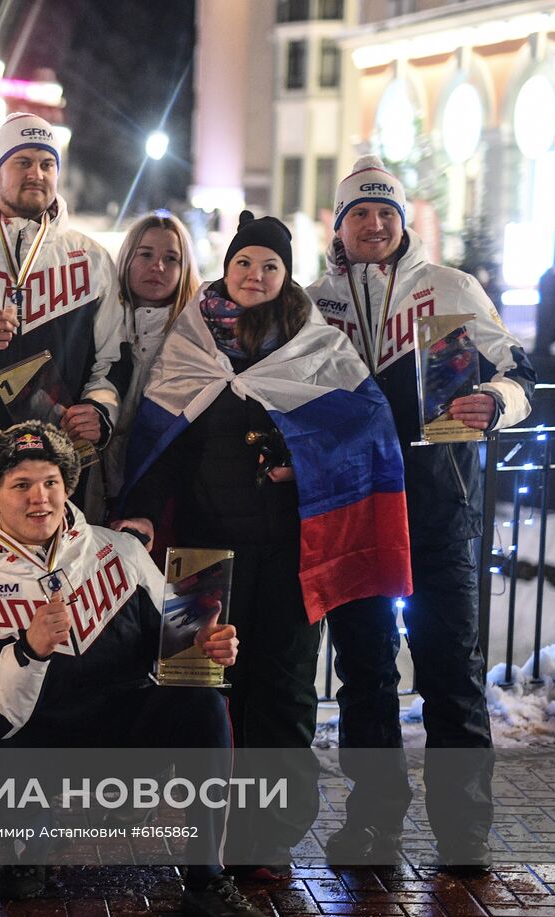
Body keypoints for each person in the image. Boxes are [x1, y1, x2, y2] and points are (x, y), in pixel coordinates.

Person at [116, 211, 412, 878]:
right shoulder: (191, 340)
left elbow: (363, 435)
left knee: (279, 694)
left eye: (270, 266)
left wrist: (301, 463)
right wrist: (137, 513)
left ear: (285, 276)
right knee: (198, 691)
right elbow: (160, 439)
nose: (255, 275)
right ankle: (201, 840)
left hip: (288, 556)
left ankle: (267, 838)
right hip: (197, 554)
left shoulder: (316, 347)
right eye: (245, 262)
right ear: (228, 267)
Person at [0, 421, 270, 917]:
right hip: (33, 753)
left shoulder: (123, 550)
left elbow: (182, 647)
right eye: (20, 485)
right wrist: (29, 651)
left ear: (67, 486)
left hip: (125, 743)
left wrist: (212, 647)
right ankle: (29, 842)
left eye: (50, 481)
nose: (39, 498)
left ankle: (206, 878)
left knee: (203, 703)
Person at [307, 156, 537, 871]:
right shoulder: (314, 305)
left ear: (403, 222)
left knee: (451, 671)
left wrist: (497, 403)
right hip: (355, 512)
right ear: (338, 227)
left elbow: (518, 371)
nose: (374, 225)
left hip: (440, 510)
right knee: (365, 673)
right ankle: (372, 822)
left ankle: (464, 829)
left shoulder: (450, 290)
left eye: (386, 213)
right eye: (360, 214)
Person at [0, 112, 124, 511]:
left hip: (57, 466)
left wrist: (100, 411)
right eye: (23, 162)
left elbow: (115, 359)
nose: (37, 174)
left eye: (48, 164)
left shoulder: (91, 258)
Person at [102, 212, 200, 510]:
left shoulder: (199, 335)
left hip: (165, 491)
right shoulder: (99, 323)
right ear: (127, 258)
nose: (157, 266)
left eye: (172, 258)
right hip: (98, 478)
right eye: (146, 254)